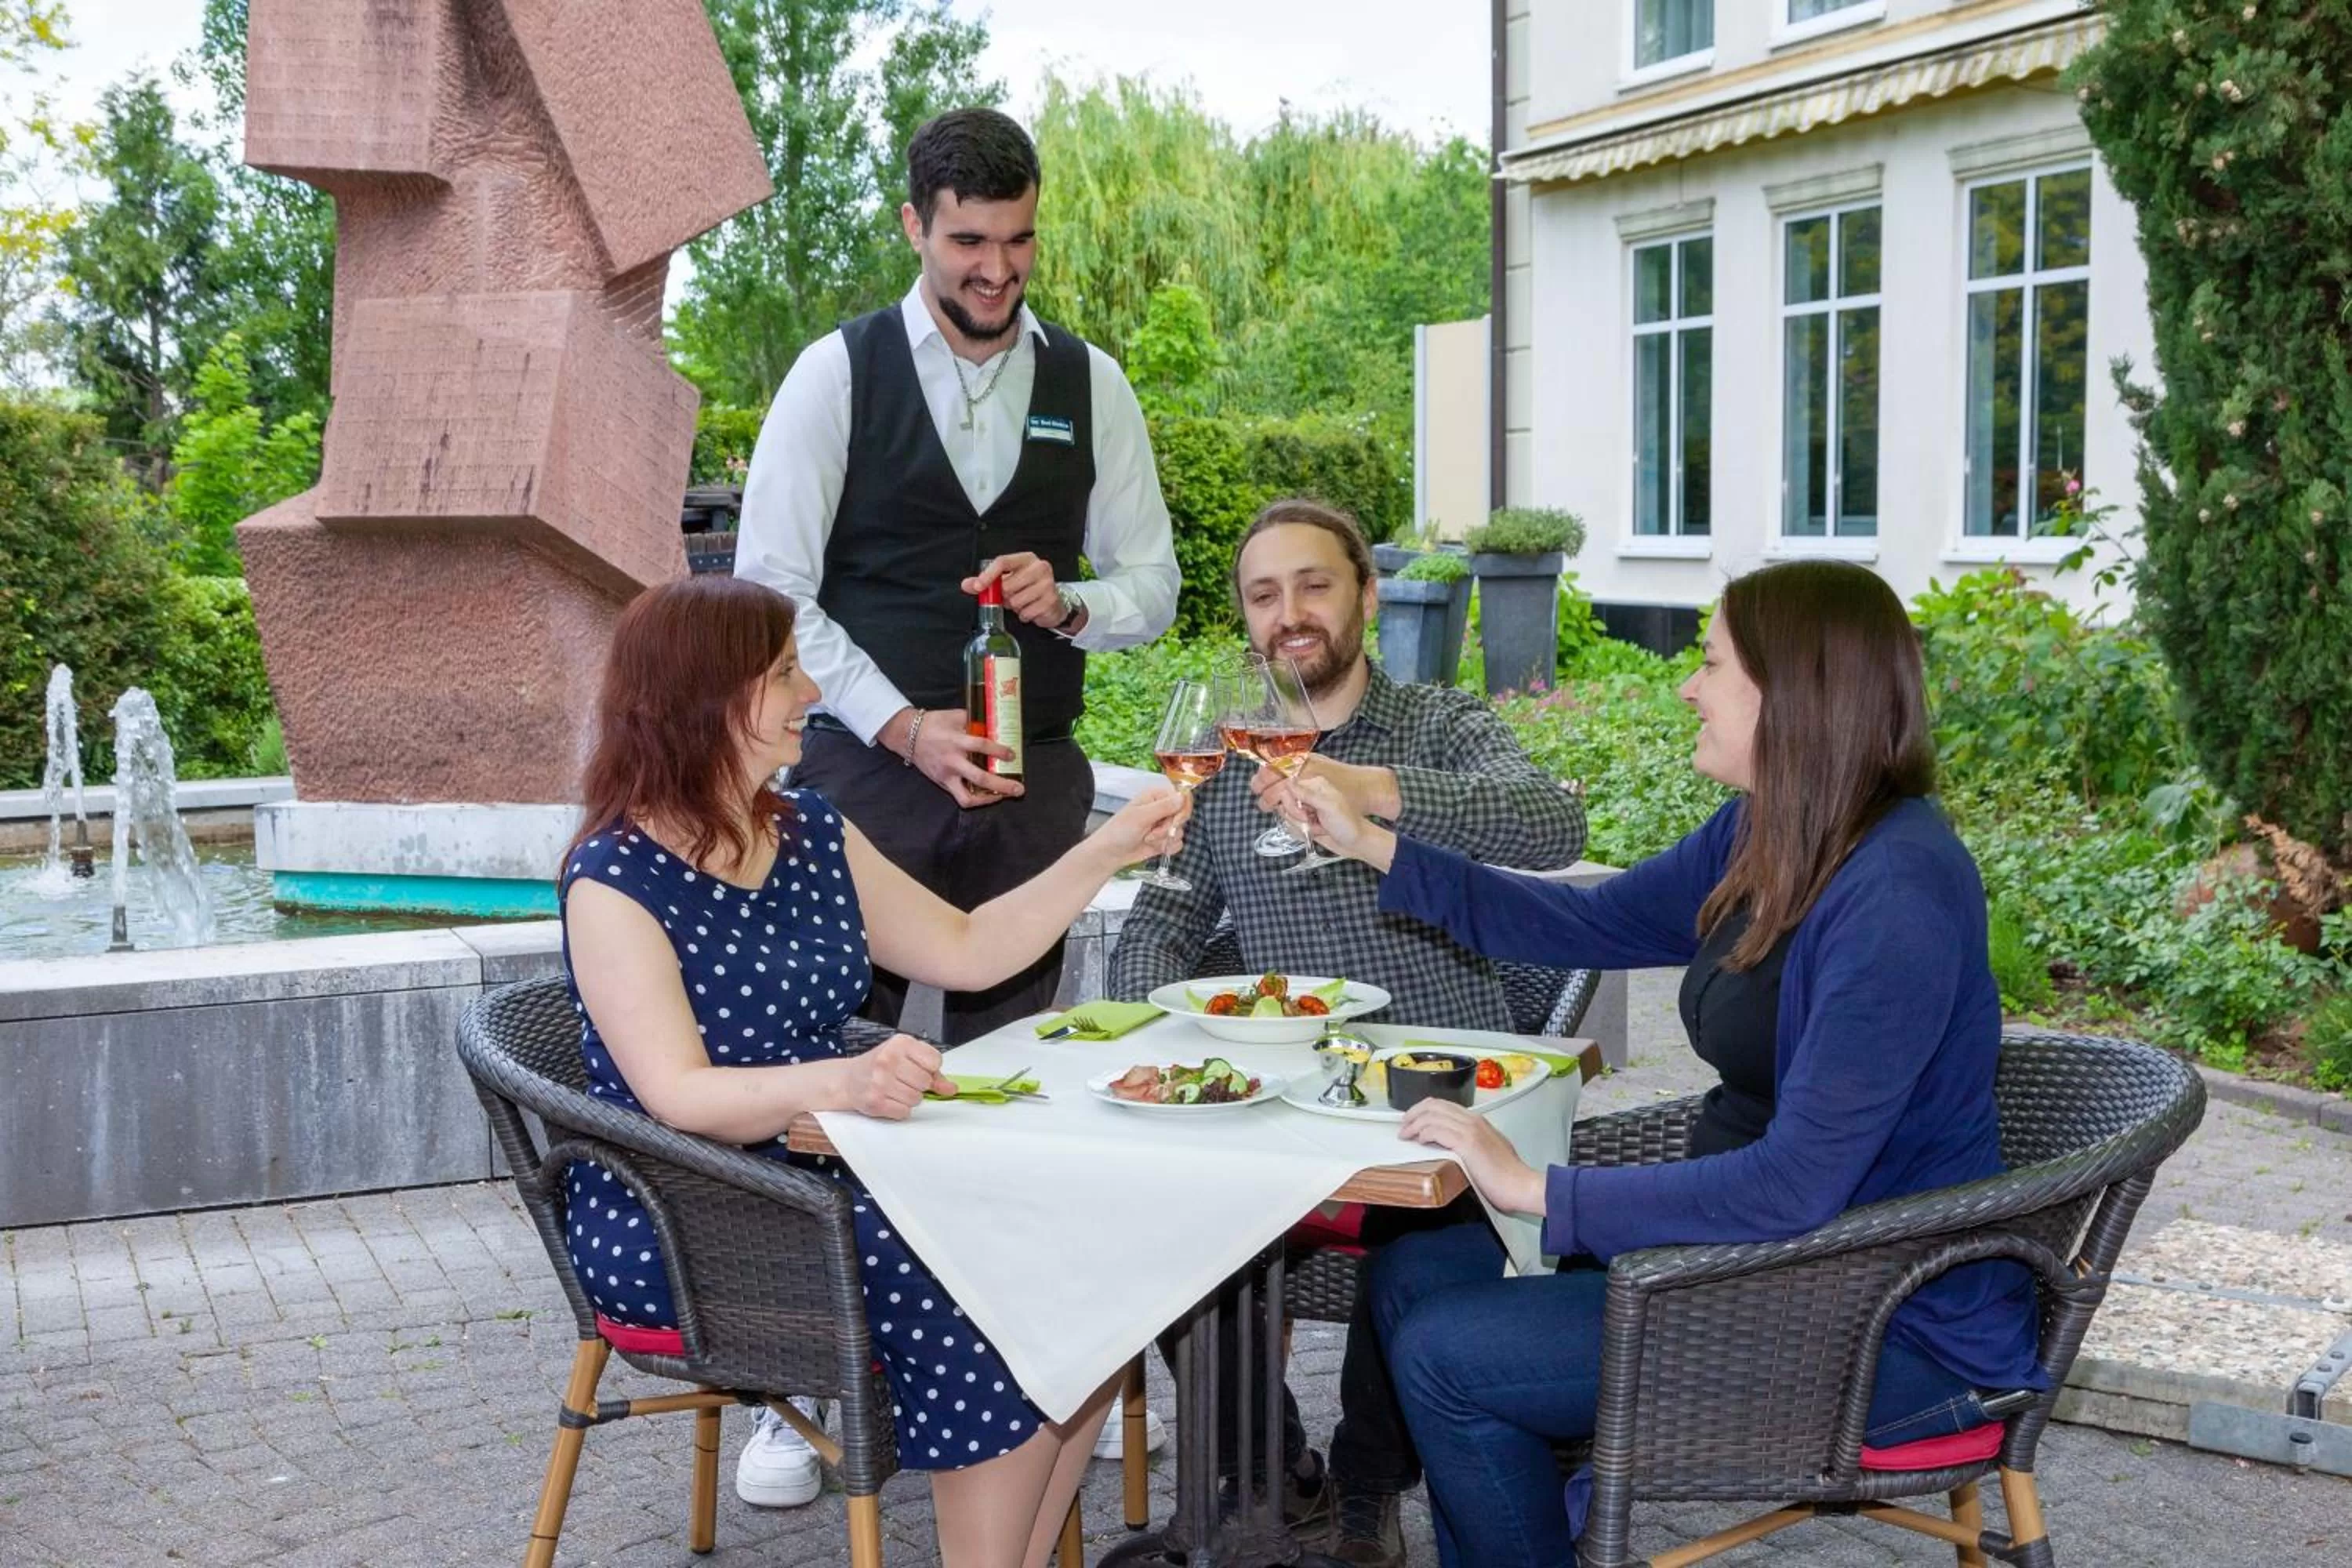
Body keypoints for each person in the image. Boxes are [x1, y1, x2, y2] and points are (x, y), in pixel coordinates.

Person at [1285, 560, 2047, 1568]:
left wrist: (1541, 1189)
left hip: (1880, 1318)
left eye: (1711, 662)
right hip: (1760, 1260)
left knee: (1445, 1358)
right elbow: (1591, 917)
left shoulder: (1896, 891)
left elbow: (1797, 1182)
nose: (1688, 685)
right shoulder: (1774, 826)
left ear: (1795, 691)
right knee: (1414, 1273)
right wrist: (1378, 847)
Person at [559, 575, 1188, 1568]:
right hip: (688, 1208)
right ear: (703, 699)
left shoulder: (807, 828)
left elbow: (973, 946)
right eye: (781, 673)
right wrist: (840, 1083)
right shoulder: (614, 876)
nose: (811, 690)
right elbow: (677, 1093)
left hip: (832, 1163)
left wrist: (1109, 847)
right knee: (985, 1279)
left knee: (1094, 1269)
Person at [1108, 498, 1588, 1566]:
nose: (1291, 616)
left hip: (1434, 1101)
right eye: (1264, 596)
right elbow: (1160, 922)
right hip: (1282, 1110)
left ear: (1368, 593)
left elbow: (1553, 824)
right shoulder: (1229, 761)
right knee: (1172, 1220)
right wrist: (1146, 1040)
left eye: (1314, 585)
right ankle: (1279, 1475)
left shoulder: (1439, 728)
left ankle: (1372, 1483)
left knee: (1425, 1241)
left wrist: (1369, 792)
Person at [735, 104, 1178, 1047]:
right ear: (913, 225)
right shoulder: (834, 375)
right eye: (968, 239)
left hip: (1036, 783)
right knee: (838, 1046)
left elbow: (1154, 583)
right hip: (863, 782)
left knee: (1016, 1064)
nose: (997, 268)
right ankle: (833, 1203)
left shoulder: (1093, 383)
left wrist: (1069, 602)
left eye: (1019, 240)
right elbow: (770, 596)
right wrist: (903, 728)